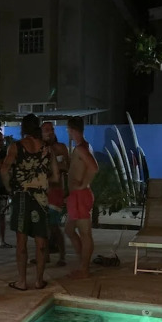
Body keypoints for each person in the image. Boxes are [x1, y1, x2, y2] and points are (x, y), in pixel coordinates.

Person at [1, 114, 59, 291]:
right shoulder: (48, 149)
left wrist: (10, 188)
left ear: (23, 128)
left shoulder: (16, 147)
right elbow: (56, 177)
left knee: (21, 241)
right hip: (41, 198)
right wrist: (41, 180)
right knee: (41, 242)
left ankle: (22, 281)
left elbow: (4, 171)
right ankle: (39, 280)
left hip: (21, 197)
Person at [64, 117, 99, 279]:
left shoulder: (81, 149)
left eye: (68, 129)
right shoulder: (83, 146)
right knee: (69, 230)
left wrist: (83, 184)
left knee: (85, 233)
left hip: (80, 195)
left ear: (72, 129)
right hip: (75, 196)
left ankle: (84, 269)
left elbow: (94, 168)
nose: (67, 132)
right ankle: (83, 263)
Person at [42, 121, 69, 266]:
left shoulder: (60, 147)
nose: (50, 132)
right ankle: (45, 255)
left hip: (56, 190)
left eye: (51, 129)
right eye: (46, 129)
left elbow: (68, 166)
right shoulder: (40, 148)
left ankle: (62, 256)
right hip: (43, 190)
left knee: (54, 225)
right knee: (43, 226)